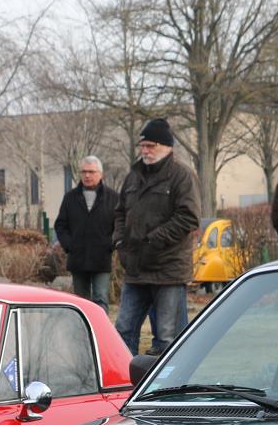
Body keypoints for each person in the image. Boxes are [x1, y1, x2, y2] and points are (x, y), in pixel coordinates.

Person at [112, 118, 200, 356]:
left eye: (151, 146)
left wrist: (153, 240)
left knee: (167, 338)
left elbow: (189, 218)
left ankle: (170, 380)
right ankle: (125, 377)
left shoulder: (182, 176)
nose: (145, 151)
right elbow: (119, 212)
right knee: (123, 330)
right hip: (135, 268)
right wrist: (119, 242)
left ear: (167, 147)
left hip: (168, 269)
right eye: (142, 146)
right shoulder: (133, 176)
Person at [54, 156, 118, 311]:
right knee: (80, 302)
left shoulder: (113, 197)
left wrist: (110, 245)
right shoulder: (70, 197)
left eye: (91, 172)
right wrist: (70, 245)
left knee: (101, 299)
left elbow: (121, 226)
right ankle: (82, 328)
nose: (87, 175)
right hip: (78, 258)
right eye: (84, 172)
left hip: (101, 258)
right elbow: (60, 225)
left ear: (100, 174)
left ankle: (100, 327)